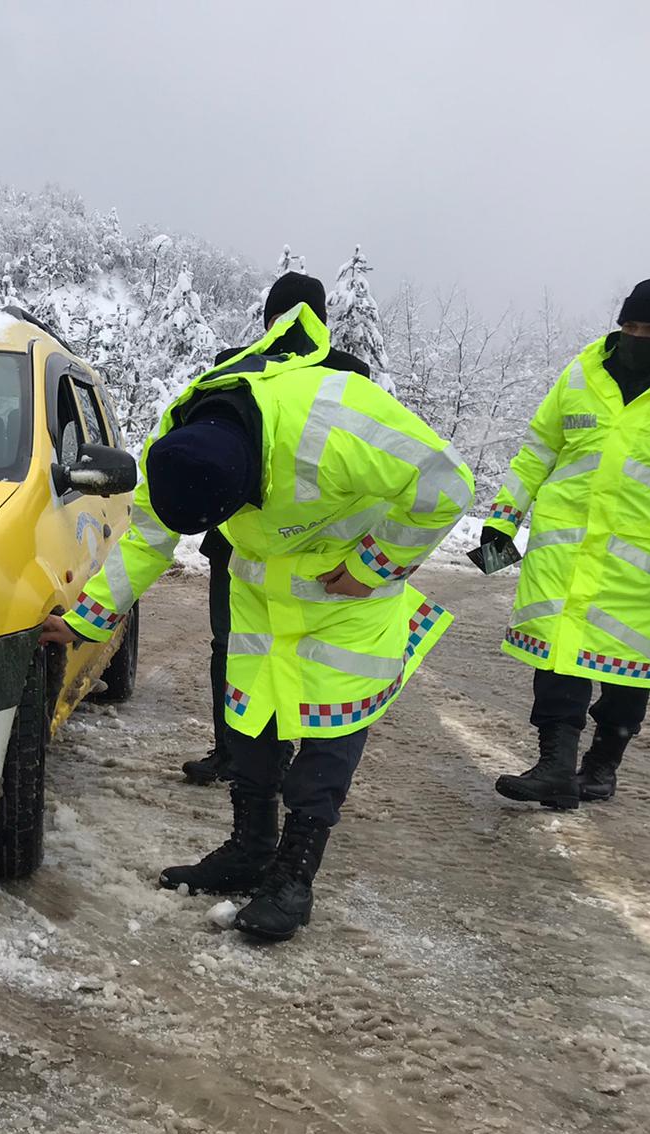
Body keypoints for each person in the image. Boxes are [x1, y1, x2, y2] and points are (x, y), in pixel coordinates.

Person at [42, 302, 472, 941]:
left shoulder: (338, 419)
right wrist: (87, 620)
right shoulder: (177, 442)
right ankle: (249, 848)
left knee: (328, 739)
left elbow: (446, 484)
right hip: (260, 603)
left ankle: (293, 878)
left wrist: (374, 565)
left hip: (345, 605)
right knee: (249, 726)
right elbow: (147, 542)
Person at [484, 276, 650, 810]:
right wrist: (503, 517)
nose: (637, 337)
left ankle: (601, 767)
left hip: (646, 561)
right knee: (560, 655)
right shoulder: (582, 373)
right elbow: (539, 449)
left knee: (625, 668)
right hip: (565, 548)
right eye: (630, 325)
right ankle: (556, 766)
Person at [184, 273, 373, 786]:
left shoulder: (349, 377)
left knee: (310, 657)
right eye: (278, 317)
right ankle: (235, 751)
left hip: (317, 551)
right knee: (232, 647)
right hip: (238, 544)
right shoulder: (235, 367)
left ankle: (296, 762)